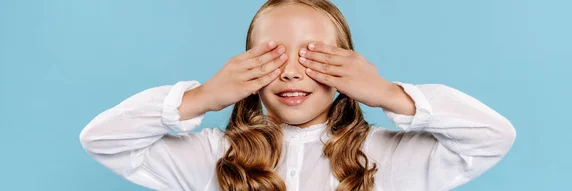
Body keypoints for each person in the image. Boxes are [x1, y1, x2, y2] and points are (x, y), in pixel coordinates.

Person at [79, 0, 516, 190]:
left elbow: (493, 137)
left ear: (346, 67)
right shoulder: (212, 157)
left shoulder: (390, 158)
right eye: (272, 57)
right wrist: (202, 98)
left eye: (313, 57)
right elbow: (102, 139)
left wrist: (387, 94)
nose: (290, 72)